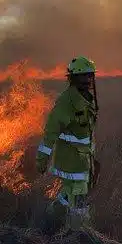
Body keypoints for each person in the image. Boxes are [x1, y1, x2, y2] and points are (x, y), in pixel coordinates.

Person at [35, 56, 100, 231]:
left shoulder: (86, 100)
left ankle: (48, 221)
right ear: (72, 78)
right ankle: (80, 237)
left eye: (90, 75)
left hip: (83, 161)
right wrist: (42, 159)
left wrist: (92, 159)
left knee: (67, 195)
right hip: (70, 163)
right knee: (79, 200)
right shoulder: (66, 102)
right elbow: (50, 133)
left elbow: (86, 135)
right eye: (83, 76)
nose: (87, 80)